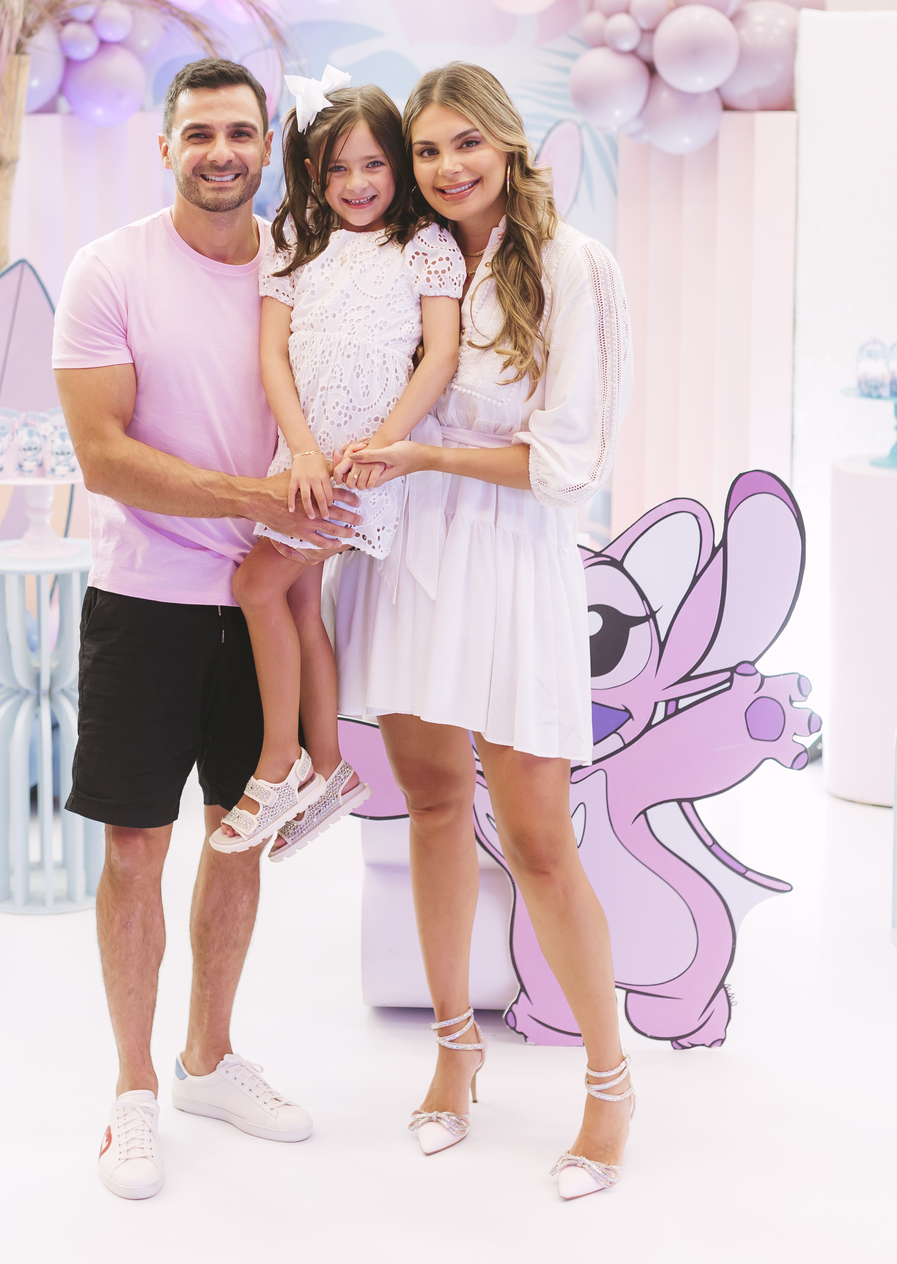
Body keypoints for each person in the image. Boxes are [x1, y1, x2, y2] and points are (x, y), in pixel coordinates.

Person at [52, 58, 358, 1203]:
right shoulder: (109, 270)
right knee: (136, 849)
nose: (220, 151)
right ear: (165, 148)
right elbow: (104, 456)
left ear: (266, 143)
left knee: (239, 837)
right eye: (199, 133)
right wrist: (251, 497)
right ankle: (134, 1089)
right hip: (145, 599)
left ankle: (208, 1060)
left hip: (265, 602)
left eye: (239, 131)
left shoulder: (305, 266)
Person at [330, 62, 635, 1201]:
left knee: (540, 837)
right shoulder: (402, 261)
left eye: (466, 143)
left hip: (509, 562)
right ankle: (455, 1048)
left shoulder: (570, 265)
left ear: (507, 143)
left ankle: (609, 1082)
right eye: (426, 150)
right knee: (431, 806)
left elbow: (569, 462)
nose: (447, 167)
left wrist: (422, 453)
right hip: (411, 555)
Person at [212, 73, 464, 859]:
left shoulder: (424, 246)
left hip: (365, 470)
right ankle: (328, 768)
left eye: (373, 164)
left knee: (256, 585)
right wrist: (302, 451)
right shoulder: (295, 241)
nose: (356, 184)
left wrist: (386, 443)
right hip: (303, 463)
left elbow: (440, 356)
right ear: (311, 173)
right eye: (336, 169)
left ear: (398, 164)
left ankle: (278, 762)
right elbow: (272, 357)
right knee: (293, 601)